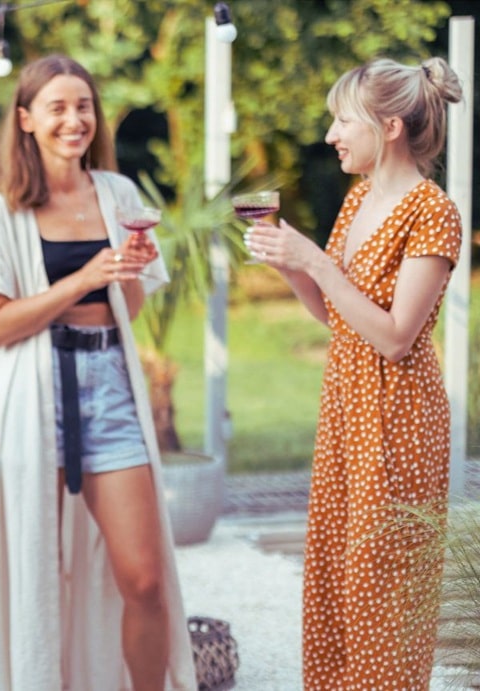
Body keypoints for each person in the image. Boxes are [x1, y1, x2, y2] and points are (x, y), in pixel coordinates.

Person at [0, 55, 196, 690]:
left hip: (110, 384)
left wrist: (131, 272)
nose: (73, 120)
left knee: (143, 577)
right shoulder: (1, 212)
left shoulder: (118, 195)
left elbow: (129, 310)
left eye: (83, 106)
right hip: (29, 397)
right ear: (26, 119)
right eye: (57, 107)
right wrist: (85, 278)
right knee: (38, 573)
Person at [245, 57, 464, 689]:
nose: (332, 135)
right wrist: (291, 263)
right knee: (337, 575)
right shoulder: (358, 197)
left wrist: (317, 260)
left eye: (344, 121)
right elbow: (335, 314)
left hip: (398, 417)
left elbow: (395, 337)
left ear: (389, 126)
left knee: (384, 582)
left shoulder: (433, 211)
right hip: (346, 409)